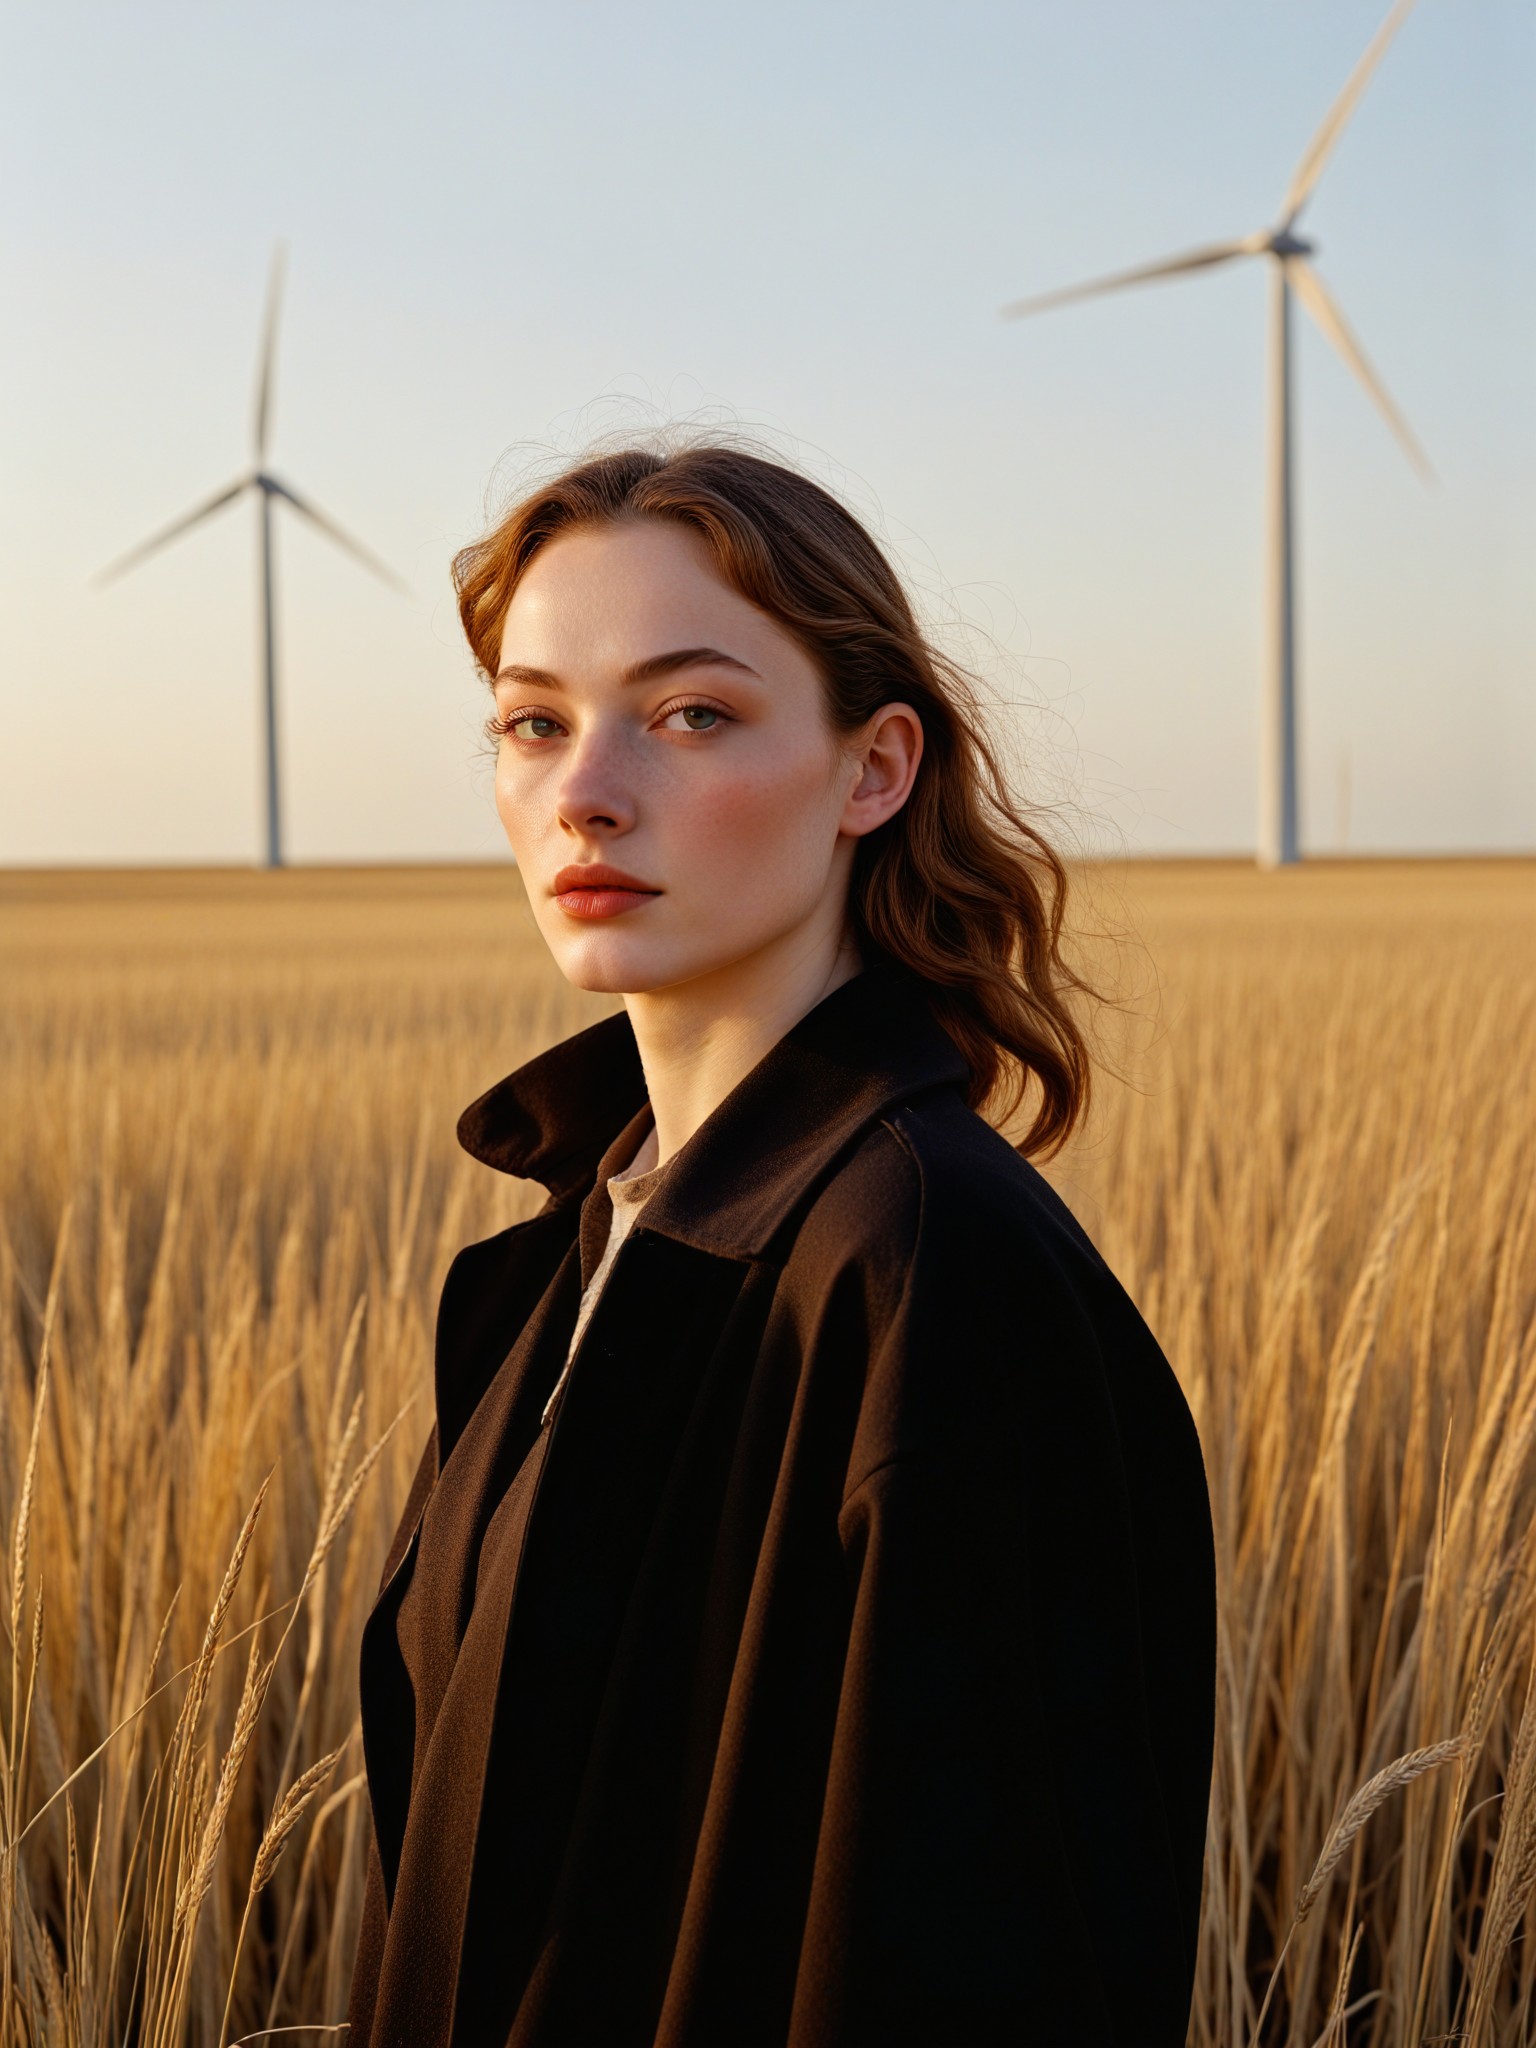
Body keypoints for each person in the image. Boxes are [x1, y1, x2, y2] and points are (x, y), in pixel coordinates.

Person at [346, 440, 1217, 2048]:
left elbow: (979, 1956)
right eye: (535, 722)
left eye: (693, 715)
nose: (585, 791)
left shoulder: (927, 1271)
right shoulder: (581, 1246)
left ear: (874, 771)